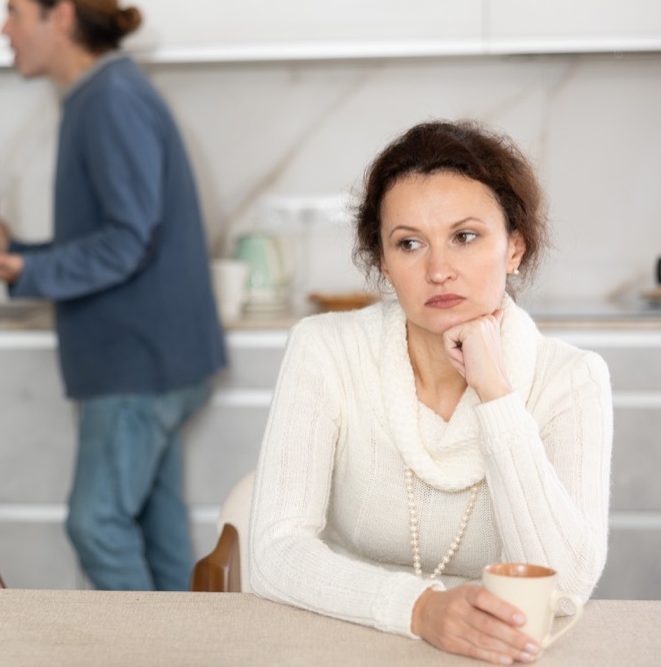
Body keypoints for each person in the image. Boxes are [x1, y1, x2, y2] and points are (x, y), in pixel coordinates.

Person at [247, 120, 612, 665]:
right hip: (345, 637)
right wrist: (419, 610)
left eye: (465, 237)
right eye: (410, 244)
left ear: (514, 247)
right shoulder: (324, 348)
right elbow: (273, 553)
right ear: (384, 263)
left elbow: (564, 592)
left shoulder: (572, 379)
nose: (439, 270)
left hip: (495, 651)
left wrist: (497, 394)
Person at [0, 0, 226, 592]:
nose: (3, 29)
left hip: (136, 364)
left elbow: (127, 240)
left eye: (14, 12)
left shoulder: (108, 99)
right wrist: (27, 258)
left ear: (61, 16)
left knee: (96, 523)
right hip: (152, 358)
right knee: (156, 531)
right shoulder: (105, 95)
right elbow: (124, 235)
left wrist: (29, 268)